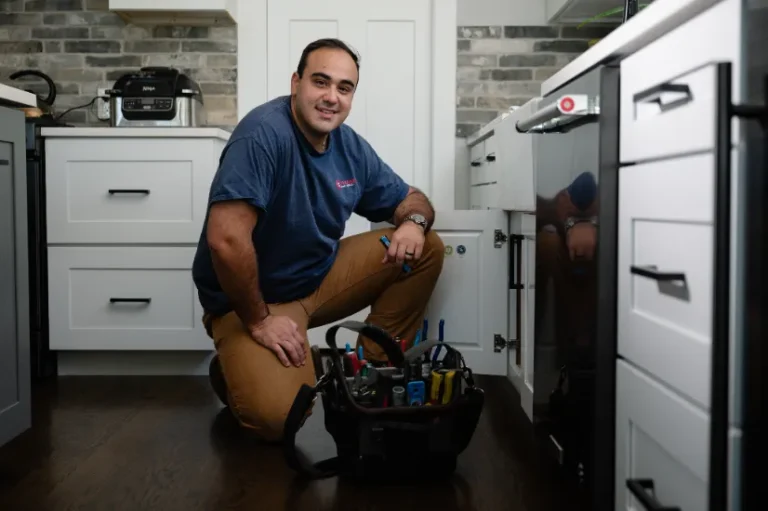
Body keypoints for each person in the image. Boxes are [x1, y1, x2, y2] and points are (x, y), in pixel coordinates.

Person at [191, 38, 445, 442]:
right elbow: (225, 240)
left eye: (344, 88)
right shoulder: (261, 135)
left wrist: (413, 222)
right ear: (296, 83)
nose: (331, 98)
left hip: (316, 280)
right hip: (250, 302)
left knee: (426, 246)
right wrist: (258, 322)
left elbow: (412, 199)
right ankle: (234, 366)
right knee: (283, 418)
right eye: (320, 82)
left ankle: (374, 371)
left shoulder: (349, 146)